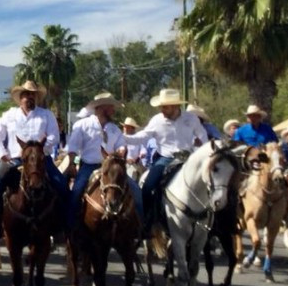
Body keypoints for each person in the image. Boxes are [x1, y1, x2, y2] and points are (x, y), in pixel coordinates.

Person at [0, 80, 68, 240]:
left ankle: (62, 226)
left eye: (33, 95)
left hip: (41, 160)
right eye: (26, 95)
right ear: (20, 98)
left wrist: (39, 151)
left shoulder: (46, 115)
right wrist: (2, 154)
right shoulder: (9, 115)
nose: (29, 97)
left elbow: (54, 136)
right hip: (14, 160)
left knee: (62, 186)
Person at [124, 89, 209, 236]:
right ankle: (147, 222)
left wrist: (203, 150)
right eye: (161, 106)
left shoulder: (191, 119)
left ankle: (211, 222)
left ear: (175, 106)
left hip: (188, 158)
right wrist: (123, 137)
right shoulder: (157, 120)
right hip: (165, 158)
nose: (161, 109)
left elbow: (202, 135)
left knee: (211, 183)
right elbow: (142, 136)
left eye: (165, 106)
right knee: (148, 186)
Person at [65, 92, 142, 232]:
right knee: (76, 192)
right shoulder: (83, 125)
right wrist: (70, 163)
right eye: (111, 107)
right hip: (89, 165)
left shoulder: (114, 129)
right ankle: (70, 228)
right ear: (102, 108)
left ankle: (140, 227)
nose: (113, 110)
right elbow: (73, 147)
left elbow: (121, 144)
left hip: (112, 168)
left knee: (136, 190)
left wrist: (121, 150)